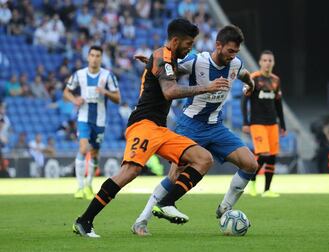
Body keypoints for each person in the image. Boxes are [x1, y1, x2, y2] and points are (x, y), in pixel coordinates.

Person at [73, 18, 229, 238]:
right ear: (175, 41)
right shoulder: (163, 56)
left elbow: (163, 73)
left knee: (203, 159)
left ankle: (166, 203)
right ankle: (84, 221)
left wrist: (150, 64)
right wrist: (206, 88)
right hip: (143, 124)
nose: (190, 48)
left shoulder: (167, 58)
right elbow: (169, 91)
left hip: (160, 128)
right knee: (130, 171)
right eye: (188, 44)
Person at [132, 25, 257, 236]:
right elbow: (173, 69)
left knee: (250, 164)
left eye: (236, 52)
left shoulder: (235, 64)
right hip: (189, 125)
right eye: (230, 51)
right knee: (174, 175)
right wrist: (155, 66)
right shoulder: (198, 61)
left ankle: (225, 207)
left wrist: (251, 85)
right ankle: (141, 220)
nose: (233, 55)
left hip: (215, 126)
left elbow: (244, 74)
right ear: (218, 45)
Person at [63, 45, 121, 200]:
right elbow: (66, 92)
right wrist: (75, 99)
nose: (94, 58)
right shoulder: (79, 75)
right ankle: (80, 187)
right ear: (88, 57)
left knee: (95, 153)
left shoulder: (107, 76)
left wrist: (105, 92)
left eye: (97, 56)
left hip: (100, 121)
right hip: (83, 118)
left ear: (101, 58)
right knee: (83, 148)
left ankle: (89, 185)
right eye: (92, 55)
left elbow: (118, 98)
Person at [242, 50, 286, 197]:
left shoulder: (276, 80)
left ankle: (267, 190)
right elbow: (244, 100)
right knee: (264, 154)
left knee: (272, 156)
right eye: (265, 60)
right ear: (260, 62)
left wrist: (283, 124)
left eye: (270, 60)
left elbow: (278, 104)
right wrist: (245, 122)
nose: (267, 63)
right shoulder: (254, 78)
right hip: (257, 123)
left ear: (273, 63)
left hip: (273, 123)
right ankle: (252, 184)